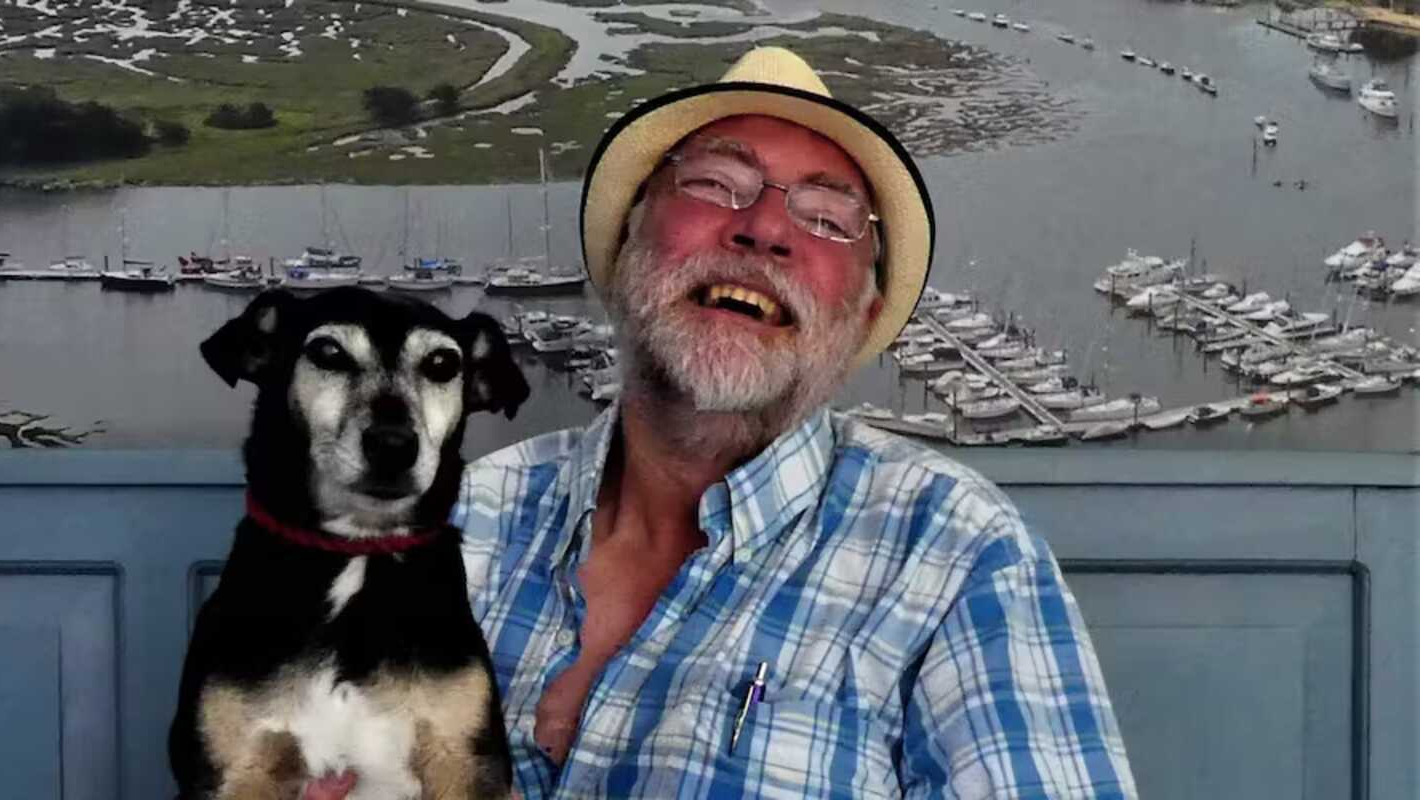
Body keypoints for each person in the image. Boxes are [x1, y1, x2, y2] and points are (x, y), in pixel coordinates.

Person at [306, 47, 1137, 798]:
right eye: (712, 185)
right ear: (629, 240)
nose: (764, 227)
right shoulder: (453, 523)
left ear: (862, 314)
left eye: (828, 219)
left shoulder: (957, 554)